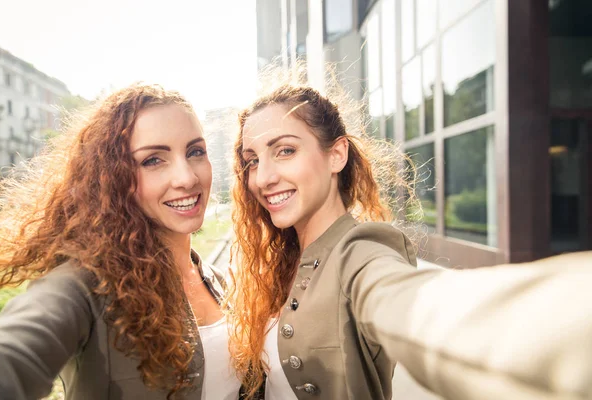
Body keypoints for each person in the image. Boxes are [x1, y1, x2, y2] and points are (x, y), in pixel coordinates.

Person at [226, 82, 592, 400]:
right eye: (252, 160)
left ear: (336, 155)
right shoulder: (277, 257)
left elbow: (414, 305)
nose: (263, 177)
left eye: (285, 150)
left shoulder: (362, 251)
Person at [0, 84, 240, 400]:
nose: (187, 178)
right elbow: (10, 357)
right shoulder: (87, 285)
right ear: (113, 177)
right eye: (153, 160)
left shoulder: (218, 281)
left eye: (195, 152)